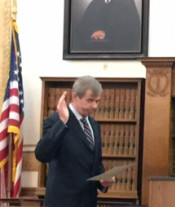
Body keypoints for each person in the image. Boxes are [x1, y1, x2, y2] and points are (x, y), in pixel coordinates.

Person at [35, 76, 115, 207]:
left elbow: (94, 162)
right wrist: (63, 122)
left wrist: (103, 180)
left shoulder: (94, 125)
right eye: (90, 100)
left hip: (88, 202)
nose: (94, 106)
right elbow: (42, 154)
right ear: (75, 97)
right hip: (63, 202)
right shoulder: (56, 121)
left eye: (97, 101)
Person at [72, 0, 141, 52]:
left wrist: (106, 34)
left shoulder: (127, 3)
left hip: (118, 53)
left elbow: (132, 31)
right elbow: (81, 30)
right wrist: (92, 33)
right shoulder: (94, 4)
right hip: (93, 53)